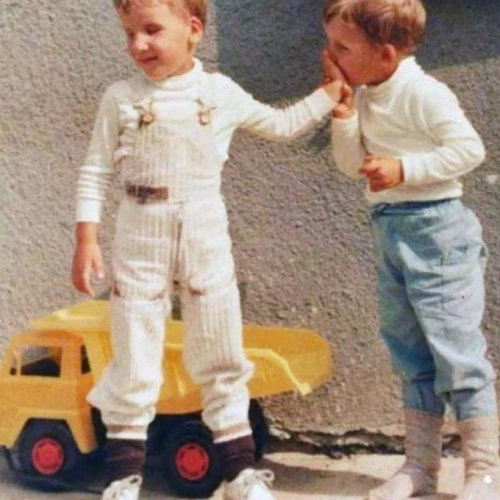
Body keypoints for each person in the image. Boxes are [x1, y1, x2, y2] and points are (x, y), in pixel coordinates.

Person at [71, 0, 341, 499]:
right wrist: (86, 237)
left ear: (193, 29)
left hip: (204, 231)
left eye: (152, 30)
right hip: (139, 232)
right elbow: (95, 168)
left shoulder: (218, 93)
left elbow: (281, 125)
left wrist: (330, 94)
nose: (138, 45)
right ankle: (122, 478)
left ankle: (239, 474)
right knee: (134, 352)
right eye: (129, 33)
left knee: (221, 350)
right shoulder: (121, 97)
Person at [322, 0, 500, 499]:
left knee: (457, 353)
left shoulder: (424, 92)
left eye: (342, 47)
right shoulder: (366, 95)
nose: (330, 56)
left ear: (385, 54)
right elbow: (350, 165)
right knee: (409, 351)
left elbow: (470, 150)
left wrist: (405, 169)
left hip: (438, 231)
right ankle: (420, 466)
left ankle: (484, 471)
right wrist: (344, 115)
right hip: (390, 231)